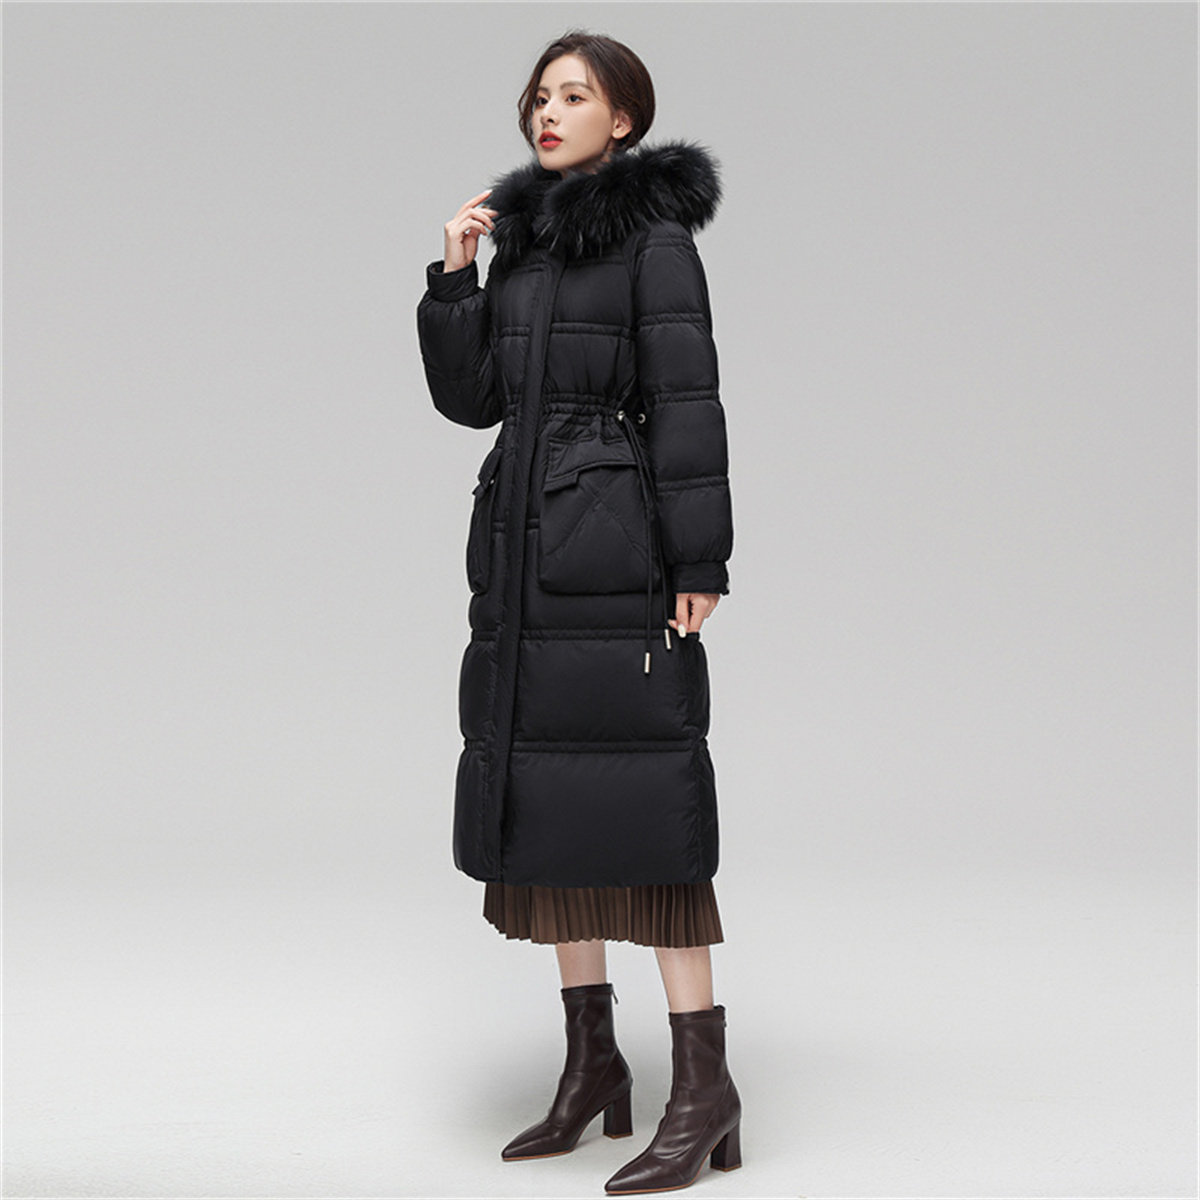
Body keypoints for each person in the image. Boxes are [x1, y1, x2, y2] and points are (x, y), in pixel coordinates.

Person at [416, 30, 739, 1195]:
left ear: (625, 120)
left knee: (647, 805)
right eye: (539, 96)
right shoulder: (525, 238)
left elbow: (687, 396)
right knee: (551, 802)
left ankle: (704, 1089)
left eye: (574, 95)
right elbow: (476, 401)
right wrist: (456, 280)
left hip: (615, 548)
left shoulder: (655, 239)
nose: (546, 112)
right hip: (523, 551)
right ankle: (594, 1063)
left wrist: (699, 556)